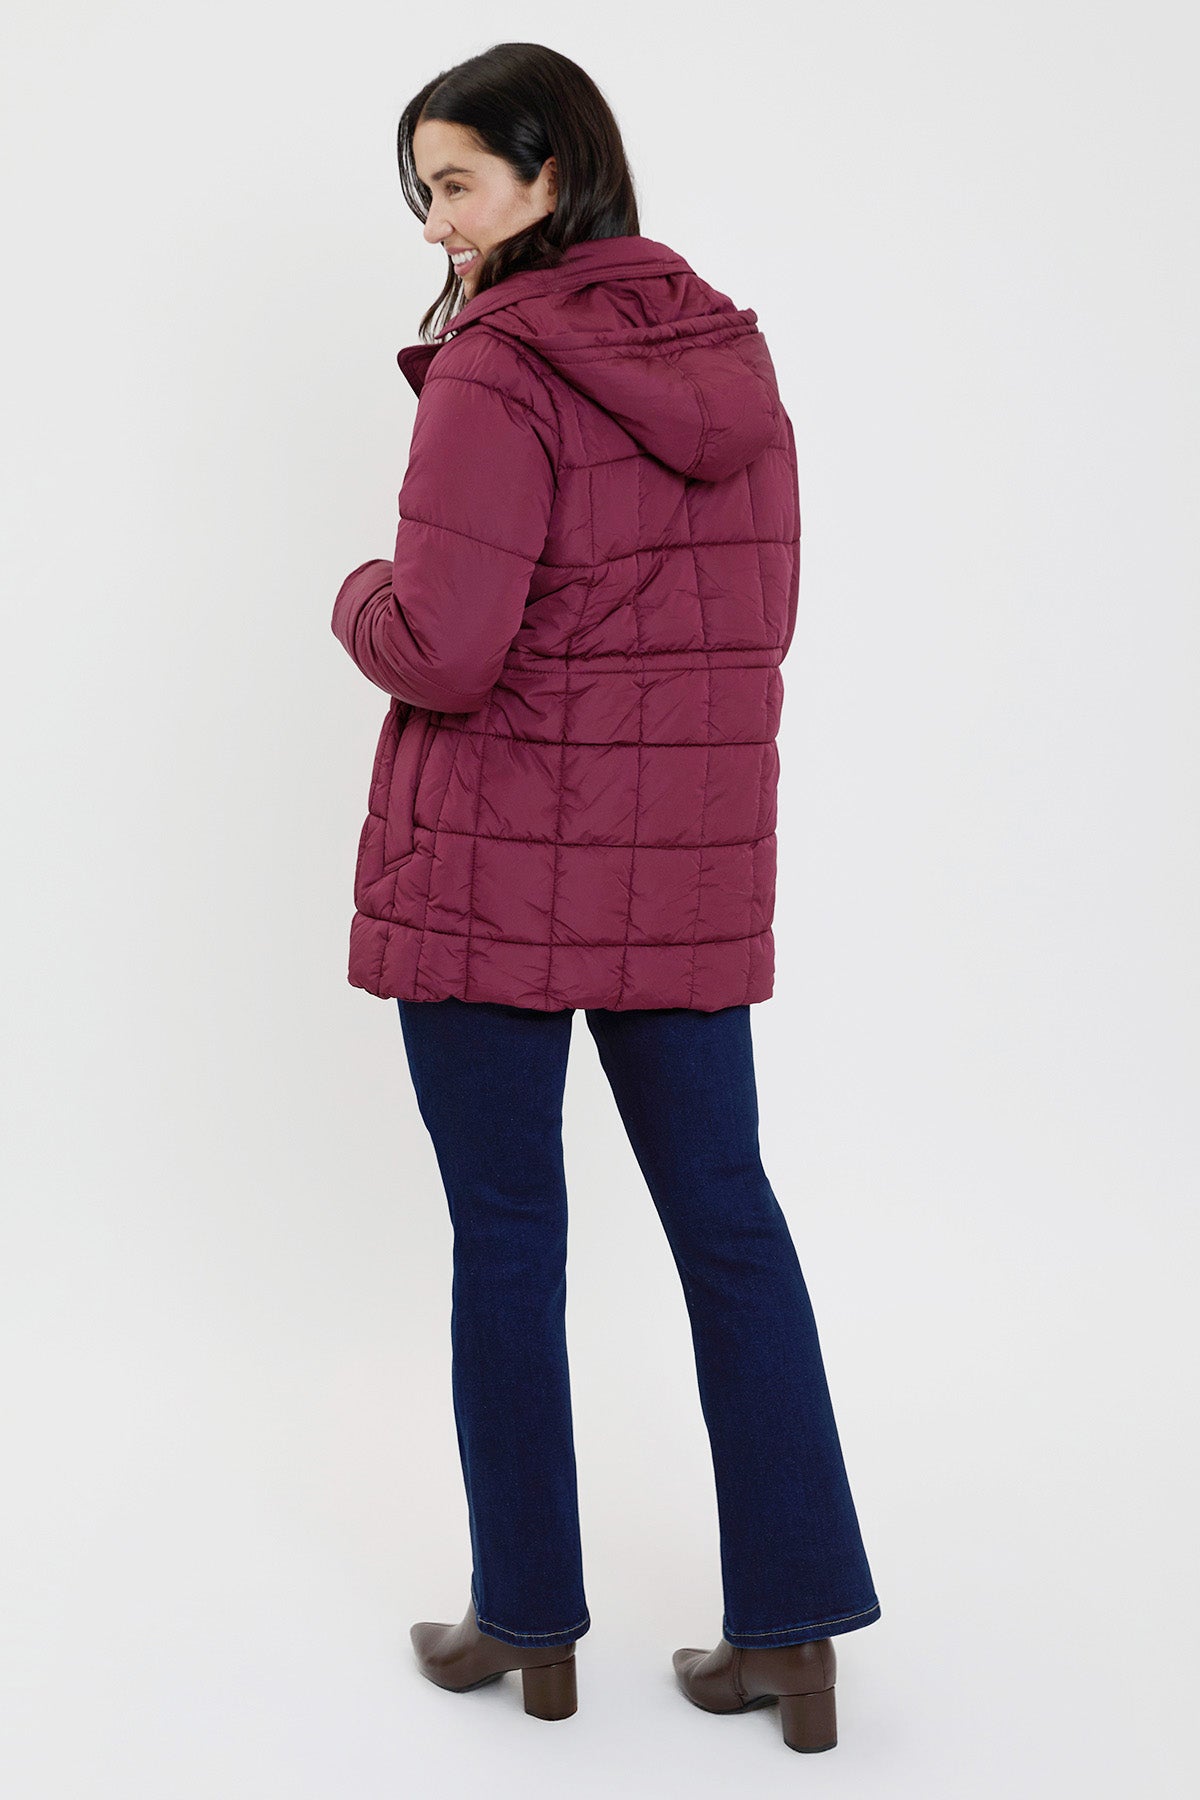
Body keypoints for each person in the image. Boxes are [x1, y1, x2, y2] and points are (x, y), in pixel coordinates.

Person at [331, 42, 881, 1753]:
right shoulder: (731, 357)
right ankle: (794, 1637)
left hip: (490, 875)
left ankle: (526, 1620)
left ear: (548, 174)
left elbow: (446, 645)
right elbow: (751, 624)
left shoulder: (495, 369)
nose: (437, 222)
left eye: (455, 184)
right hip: (682, 870)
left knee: (509, 1240)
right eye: (423, 192)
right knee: (731, 1225)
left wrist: (353, 594)